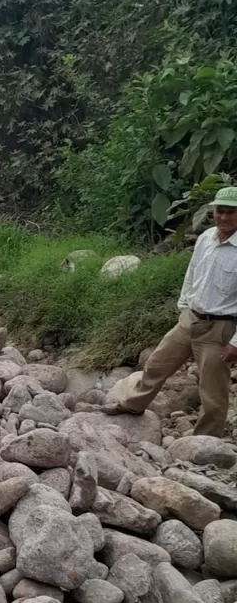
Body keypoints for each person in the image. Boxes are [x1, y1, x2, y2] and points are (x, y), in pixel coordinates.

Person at [105, 186, 237, 437]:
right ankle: (132, 405)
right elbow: (192, 273)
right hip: (190, 319)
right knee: (156, 363)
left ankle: (205, 441)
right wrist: (184, 306)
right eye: (220, 211)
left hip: (219, 328)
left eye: (230, 213)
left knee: (212, 389)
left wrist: (235, 342)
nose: (223, 217)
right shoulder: (206, 237)